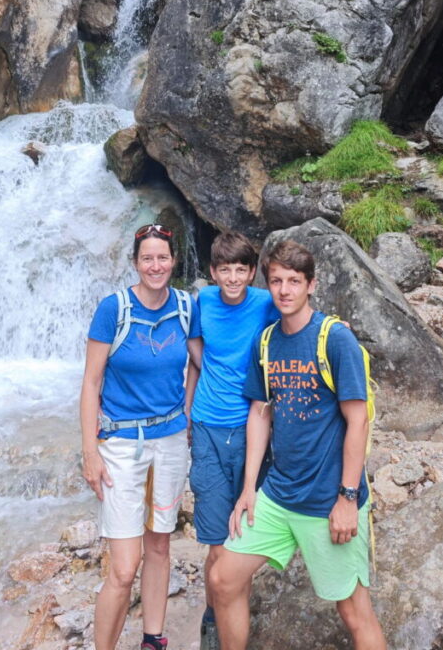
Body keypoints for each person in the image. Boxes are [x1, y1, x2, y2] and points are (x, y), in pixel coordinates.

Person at [211, 240, 386, 650]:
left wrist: (347, 498)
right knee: (223, 578)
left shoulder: (335, 339)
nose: (284, 290)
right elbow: (259, 413)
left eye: (294, 281)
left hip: (326, 500)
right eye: (276, 281)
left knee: (354, 611)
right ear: (267, 285)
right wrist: (249, 489)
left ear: (311, 285)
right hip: (278, 495)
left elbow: (357, 420)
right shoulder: (268, 341)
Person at [80, 223, 200, 650]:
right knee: (124, 567)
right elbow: (91, 382)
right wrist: (89, 450)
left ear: (173, 261)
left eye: (162, 257)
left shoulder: (187, 307)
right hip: (121, 445)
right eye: (147, 258)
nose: (155, 265)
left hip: (169, 441)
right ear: (135, 262)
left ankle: (154, 638)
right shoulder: (113, 309)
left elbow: (200, 363)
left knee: (161, 547)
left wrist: (185, 413)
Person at [186, 232, 279, 650]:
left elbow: (301, 317)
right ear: (212, 272)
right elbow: (193, 341)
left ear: (252, 272)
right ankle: (213, 615)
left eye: (241, 269)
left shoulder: (263, 302)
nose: (233, 277)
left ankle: (230, 602)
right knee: (214, 538)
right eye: (225, 269)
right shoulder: (203, 301)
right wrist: (209, 375)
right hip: (207, 427)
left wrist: (338, 329)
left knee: (244, 530)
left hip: (250, 430)